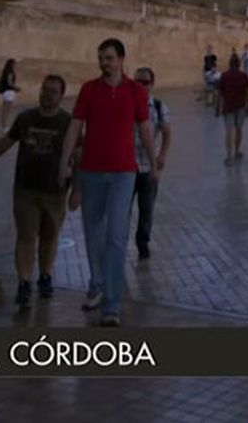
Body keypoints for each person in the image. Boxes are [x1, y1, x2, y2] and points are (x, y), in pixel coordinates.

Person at [59, 39, 157, 327]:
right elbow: (75, 127)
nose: (105, 63)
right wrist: (64, 162)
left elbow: (145, 128)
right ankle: (97, 283)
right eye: (101, 58)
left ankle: (112, 303)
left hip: (123, 173)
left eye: (110, 58)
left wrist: (153, 163)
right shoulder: (89, 90)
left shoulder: (134, 91)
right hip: (91, 171)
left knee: (116, 236)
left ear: (122, 60)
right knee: (93, 234)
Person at [0, 74, 71, 310]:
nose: (47, 95)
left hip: (55, 192)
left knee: (49, 236)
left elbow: (78, 156)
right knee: (26, 236)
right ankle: (24, 281)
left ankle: (46, 276)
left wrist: (78, 187)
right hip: (26, 190)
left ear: (61, 96)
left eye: (52, 91)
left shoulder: (67, 123)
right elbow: (6, 142)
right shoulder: (25, 118)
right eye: (44, 89)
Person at [131, 67, 171, 261]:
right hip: (127, 166)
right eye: (137, 81)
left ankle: (143, 242)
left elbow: (166, 133)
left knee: (146, 208)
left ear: (152, 84)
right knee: (122, 208)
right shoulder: (126, 103)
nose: (140, 85)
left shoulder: (157, 106)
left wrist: (162, 156)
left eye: (144, 82)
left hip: (148, 165)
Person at [217, 54, 248, 165]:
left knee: (229, 132)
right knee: (239, 129)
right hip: (240, 106)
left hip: (228, 106)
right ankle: (237, 151)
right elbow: (247, 93)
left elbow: (220, 93)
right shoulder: (244, 76)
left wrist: (217, 107)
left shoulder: (224, 76)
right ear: (239, 64)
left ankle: (229, 156)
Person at [0, 58, 21, 127]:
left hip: (6, 92)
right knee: (6, 111)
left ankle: (4, 125)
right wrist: (16, 88)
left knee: (4, 110)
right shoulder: (10, 72)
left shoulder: (5, 72)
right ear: (11, 64)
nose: (15, 65)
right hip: (9, 92)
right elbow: (10, 83)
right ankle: (5, 126)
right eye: (14, 64)